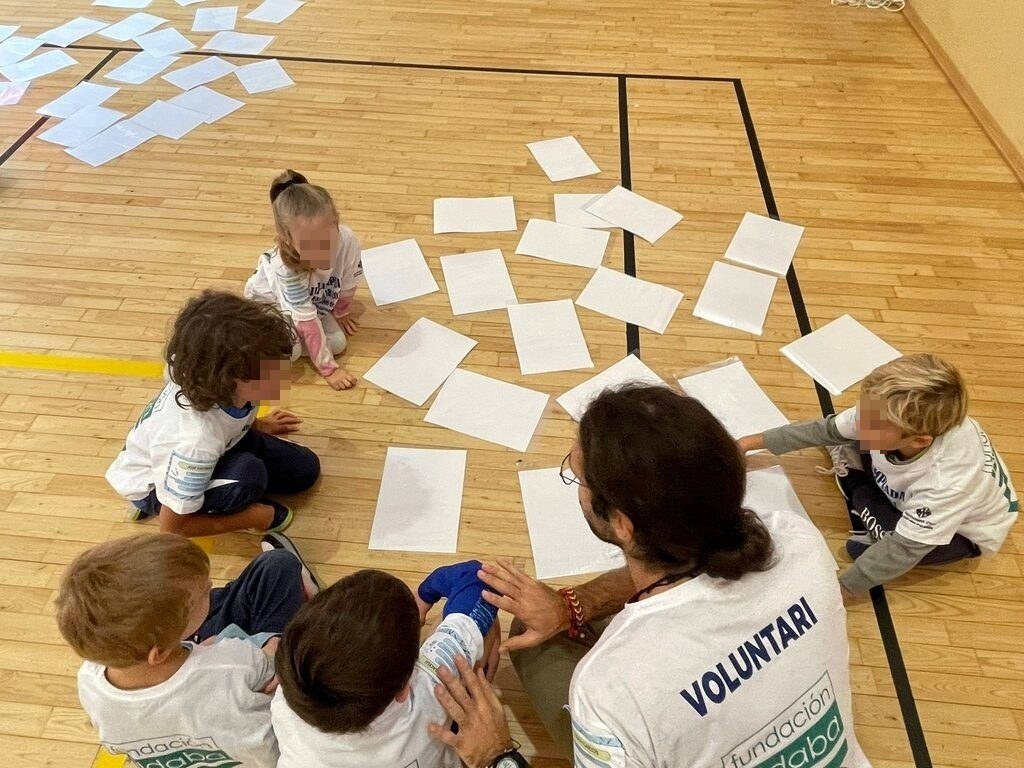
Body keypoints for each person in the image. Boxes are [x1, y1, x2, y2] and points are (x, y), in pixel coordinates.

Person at [432, 386, 871, 768]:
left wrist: (495, 755)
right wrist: (571, 605)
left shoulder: (610, 690)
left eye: (578, 478)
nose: (576, 485)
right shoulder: (795, 540)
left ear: (621, 524)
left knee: (532, 637)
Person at [738, 353, 1018, 596]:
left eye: (872, 421)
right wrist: (747, 443)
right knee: (848, 436)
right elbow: (826, 430)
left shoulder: (947, 482)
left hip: (960, 535)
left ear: (919, 440)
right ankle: (859, 473)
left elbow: (904, 551)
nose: (861, 420)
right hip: (918, 489)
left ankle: (855, 478)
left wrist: (839, 592)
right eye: (863, 411)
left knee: (876, 550)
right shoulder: (887, 417)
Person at [56, 532, 318, 768]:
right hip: (267, 729)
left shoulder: (90, 679)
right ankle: (304, 605)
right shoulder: (233, 665)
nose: (210, 584)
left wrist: (191, 651)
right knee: (279, 565)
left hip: (189, 659)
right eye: (202, 592)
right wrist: (272, 643)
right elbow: (275, 662)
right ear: (158, 653)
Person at [105, 290, 321, 538]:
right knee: (249, 476)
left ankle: (219, 483)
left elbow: (229, 418)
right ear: (226, 378)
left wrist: (259, 425)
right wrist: (255, 516)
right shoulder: (195, 443)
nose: (285, 378)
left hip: (218, 446)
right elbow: (173, 528)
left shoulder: (218, 375)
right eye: (270, 373)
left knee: (305, 470)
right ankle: (161, 503)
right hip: (159, 482)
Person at [271, 561, 499, 768]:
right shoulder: (429, 691)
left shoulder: (283, 706)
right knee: (480, 630)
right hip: (443, 741)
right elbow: (478, 578)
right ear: (403, 690)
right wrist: (423, 597)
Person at [244, 169, 363, 391]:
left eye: (328, 241)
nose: (323, 253)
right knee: (292, 352)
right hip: (267, 306)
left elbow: (348, 283)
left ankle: (309, 342)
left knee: (338, 344)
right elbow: (306, 322)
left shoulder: (349, 240)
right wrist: (330, 370)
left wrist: (342, 311)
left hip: (314, 304)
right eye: (310, 246)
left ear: (337, 224)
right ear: (288, 241)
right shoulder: (285, 269)